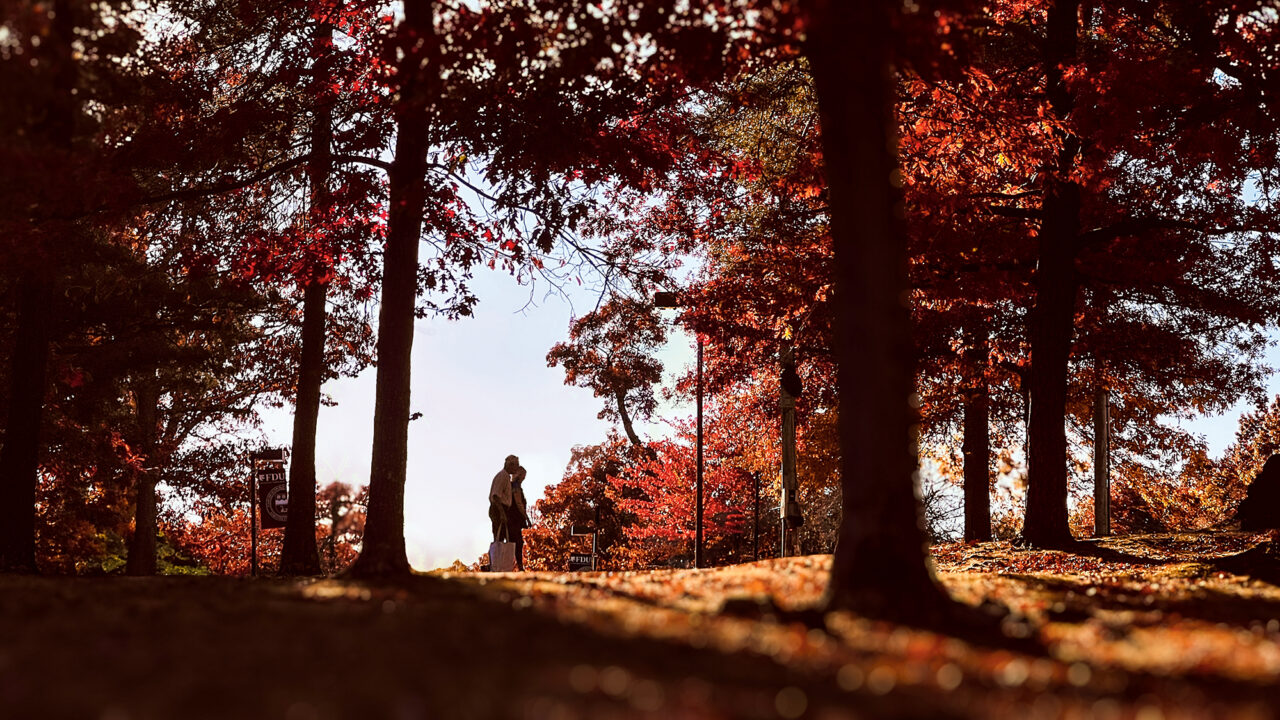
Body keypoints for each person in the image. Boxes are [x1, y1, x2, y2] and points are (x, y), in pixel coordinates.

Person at [489, 454, 518, 543]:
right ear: (510, 465)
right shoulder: (503, 476)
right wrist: (502, 512)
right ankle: (497, 556)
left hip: (502, 509)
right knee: (499, 537)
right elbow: (496, 495)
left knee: (504, 536)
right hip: (499, 508)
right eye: (516, 465)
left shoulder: (506, 477)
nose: (516, 468)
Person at [508, 466, 530, 571]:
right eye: (523, 476)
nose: (524, 478)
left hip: (513, 518)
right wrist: (526, 517)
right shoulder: (515, 487)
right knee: (517, 542)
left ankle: (515, 565)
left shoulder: (514, 486)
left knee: (514, 542)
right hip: (514, 518)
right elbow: (518, 503)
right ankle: (519, 566)